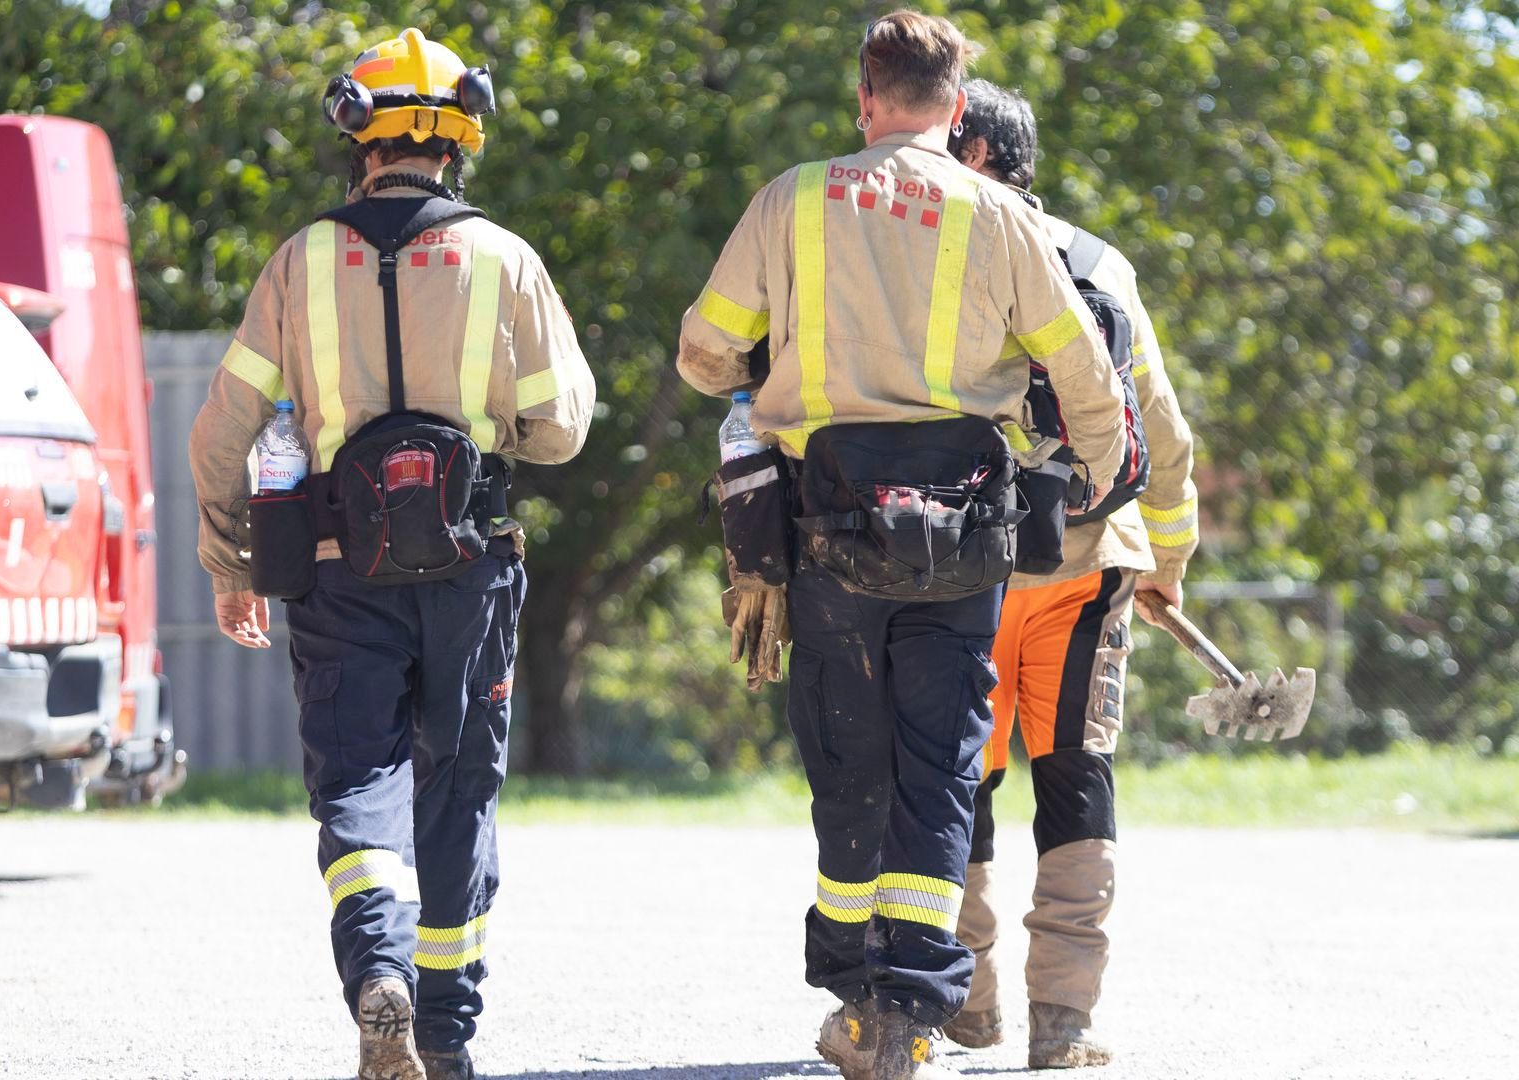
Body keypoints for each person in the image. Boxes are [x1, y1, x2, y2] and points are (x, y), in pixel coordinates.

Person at [677, 12, 1129, 1080]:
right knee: (943, 762)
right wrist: (1103, 475)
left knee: (847, 755)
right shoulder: (997, 213)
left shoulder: (792, 199)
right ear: (955, 107)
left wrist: (760, 366)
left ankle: (851, 988)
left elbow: (703, 355)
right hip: (965, 536)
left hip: (830, 525)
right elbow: (1081, 369)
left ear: (866, 99)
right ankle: (913, 1013)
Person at [189, 28, 595, 1080]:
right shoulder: (505, 257)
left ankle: (381, 975)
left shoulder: (299, 261)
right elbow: (562, 429)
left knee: (358, 782)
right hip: (471, 568)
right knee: (458, 792)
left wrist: (230, 561)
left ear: (354, 131)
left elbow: (220, 434)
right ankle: (447, 1037)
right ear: (462, 134)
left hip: (333, 568)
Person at [940, 79, 1199, 1069]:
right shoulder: (1099, 264)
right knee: (1075, 778)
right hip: (1088, 567)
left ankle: (967, 1004)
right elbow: (1163, 432)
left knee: (954, 777)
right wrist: (1166, 558)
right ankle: (1065, 1025)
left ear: (967, 156)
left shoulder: (935, 263)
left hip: (959, 567)